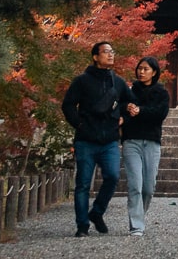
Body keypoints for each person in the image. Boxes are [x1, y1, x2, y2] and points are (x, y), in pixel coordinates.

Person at [61, 41, 132, 237]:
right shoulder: (81, 81)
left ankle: (97, 212)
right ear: (95, 56)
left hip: (109, 139)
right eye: (106, 52)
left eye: (112, 51)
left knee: (112, 177)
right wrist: (79, 124)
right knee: (83, 183)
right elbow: (67, 105)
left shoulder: (117, 82)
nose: (110, 55)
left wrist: (123, 117)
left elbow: (130, 102)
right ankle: (82, 225)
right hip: (86, 139)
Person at [121, 56, 170, 237]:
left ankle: (140, 216)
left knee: (148, 187)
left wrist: (140, 111)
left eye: (146, 69)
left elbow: (160, 113)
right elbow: (120, 107)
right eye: (139, 68)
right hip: (131, 141)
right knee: (135, 184)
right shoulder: (129, 92)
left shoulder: (161, 93)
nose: (141, 72)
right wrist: (127, 109)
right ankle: (136, 226)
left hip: (152, 141)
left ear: (154, 72)